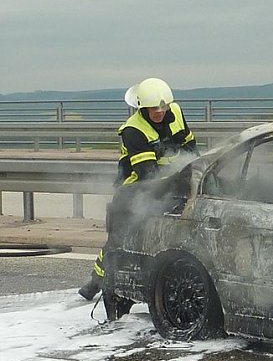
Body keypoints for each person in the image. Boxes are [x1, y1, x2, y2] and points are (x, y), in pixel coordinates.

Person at [78, 77, 198, 304]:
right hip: (135, 191)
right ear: (143, 107)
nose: (160, 112)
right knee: (120, 238)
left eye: (163, 107)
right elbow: (147, 174)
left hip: (172, 184)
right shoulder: (133, 130)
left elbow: (190, 146)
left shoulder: (175, 112)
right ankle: (97, 282)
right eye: (154, 108)